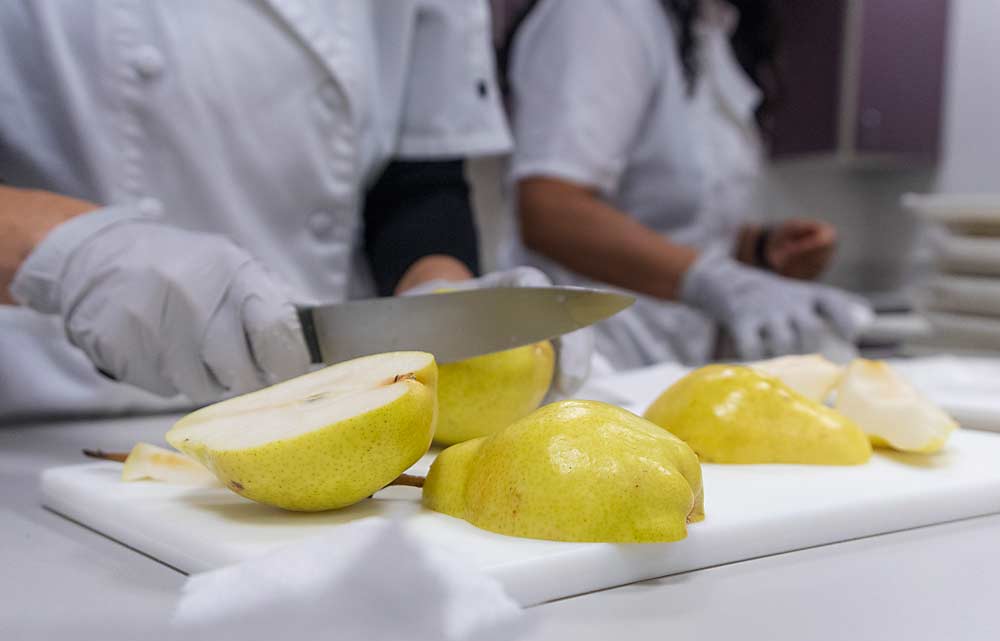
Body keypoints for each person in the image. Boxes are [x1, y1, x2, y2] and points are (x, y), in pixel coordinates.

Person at [0, 0, 586, 420]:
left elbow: (418, 179)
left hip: (325, 405)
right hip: (45, 417)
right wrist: (64, 249)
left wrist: (441, 296)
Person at [500, 0, 873, 370]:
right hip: (592, 363)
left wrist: (756, 250)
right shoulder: (599, 14)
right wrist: (720, 281)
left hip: (667, 363)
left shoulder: (708, 28)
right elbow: (550, 209)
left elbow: (675, 220)